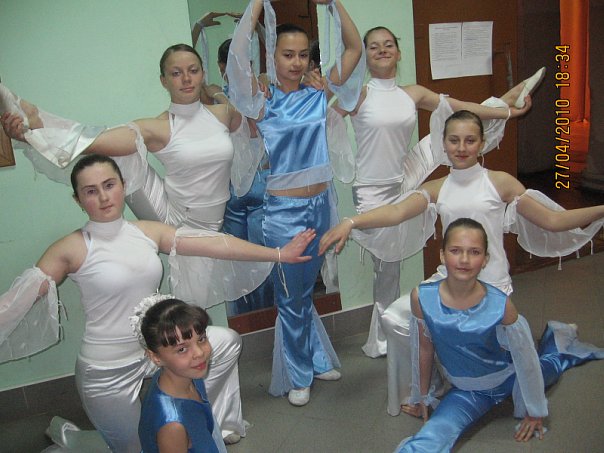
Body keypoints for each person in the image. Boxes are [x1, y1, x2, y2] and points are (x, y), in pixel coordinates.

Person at [0, 43, 257, 442]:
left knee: (198, 339)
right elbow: (95, 142)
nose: (186, 79)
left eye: (192, 70)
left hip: (209, 227)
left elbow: (246, 125)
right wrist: (33, 133)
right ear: (163, 80)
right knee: (119, 146)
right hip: (172, 220)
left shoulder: (222, 112)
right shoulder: (158, 126)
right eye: (176, 73)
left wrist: (236, 102)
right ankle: (37, 120)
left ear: (202, 72)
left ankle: (212, 420)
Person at [0, 154, 315, 452]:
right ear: (78, 200)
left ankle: (211, 426)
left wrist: (278, 254)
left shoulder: (145, 232)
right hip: (108, 368)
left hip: (159, 349)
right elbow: (16, 303)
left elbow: (215, 244)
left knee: (227, 342)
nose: (104, 197)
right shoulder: (70, 248)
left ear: (123, 185)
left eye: (109, 185)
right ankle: (72, 441)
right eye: (91, 191)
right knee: (135, 448)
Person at [319, 109, 604, 416]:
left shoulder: (500, 183)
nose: (461, 147)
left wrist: (601, 209)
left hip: (490, 285)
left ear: (482, 144)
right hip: (450, 280)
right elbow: (396, 212)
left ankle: (552, 347)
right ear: (444, 144)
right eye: (454, 140)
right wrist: (351, 221)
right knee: (401, 320)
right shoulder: (438, 187)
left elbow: (553, 220)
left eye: (470, 140)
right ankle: (425, 394)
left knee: (506, 367)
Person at [330, 25, 543, 358]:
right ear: (365, 57)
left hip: (404, 176)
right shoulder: (358, 95)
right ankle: (381, 336)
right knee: (386, 265)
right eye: (374, 46)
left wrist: (504, 111)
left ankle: (504, 99)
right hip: (372, 190)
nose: (382, 50)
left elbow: (459, 106)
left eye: (388, 44)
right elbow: (323, 118)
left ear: (398, 52)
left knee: (453, 134)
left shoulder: (412, 93)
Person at [225, 0, 364, 406]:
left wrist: (334, 4)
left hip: (321, 206)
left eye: (303, 55)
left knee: (304, 293)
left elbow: (354, 49)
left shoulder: (318, 93)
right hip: (283, 214)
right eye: (288, 54)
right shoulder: (262, 100)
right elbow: (237, 57)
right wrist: (256, 5)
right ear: (272, 56)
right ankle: (298, 374)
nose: (296, 62)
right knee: (290, 297)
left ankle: (316, 358)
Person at [394, 218, 603, 452]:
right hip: (467, 391)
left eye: (474, 252)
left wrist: (535, 410)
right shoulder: (422, 297)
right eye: (455, 251)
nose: (464, 259)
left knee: (549, 365)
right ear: (442, 255)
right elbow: (424, 348)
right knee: (428, 440)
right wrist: (422, 396)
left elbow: (526, 359)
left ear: (485, 259)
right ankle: (554, 338)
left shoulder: (500, 305)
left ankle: (557, 339)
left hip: (510, 377)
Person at [136, 296, 226, 453]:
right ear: (156, 357)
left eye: (201, 339)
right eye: (182, 349)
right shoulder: (173, 425)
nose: (199, 353)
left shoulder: (186, 375)